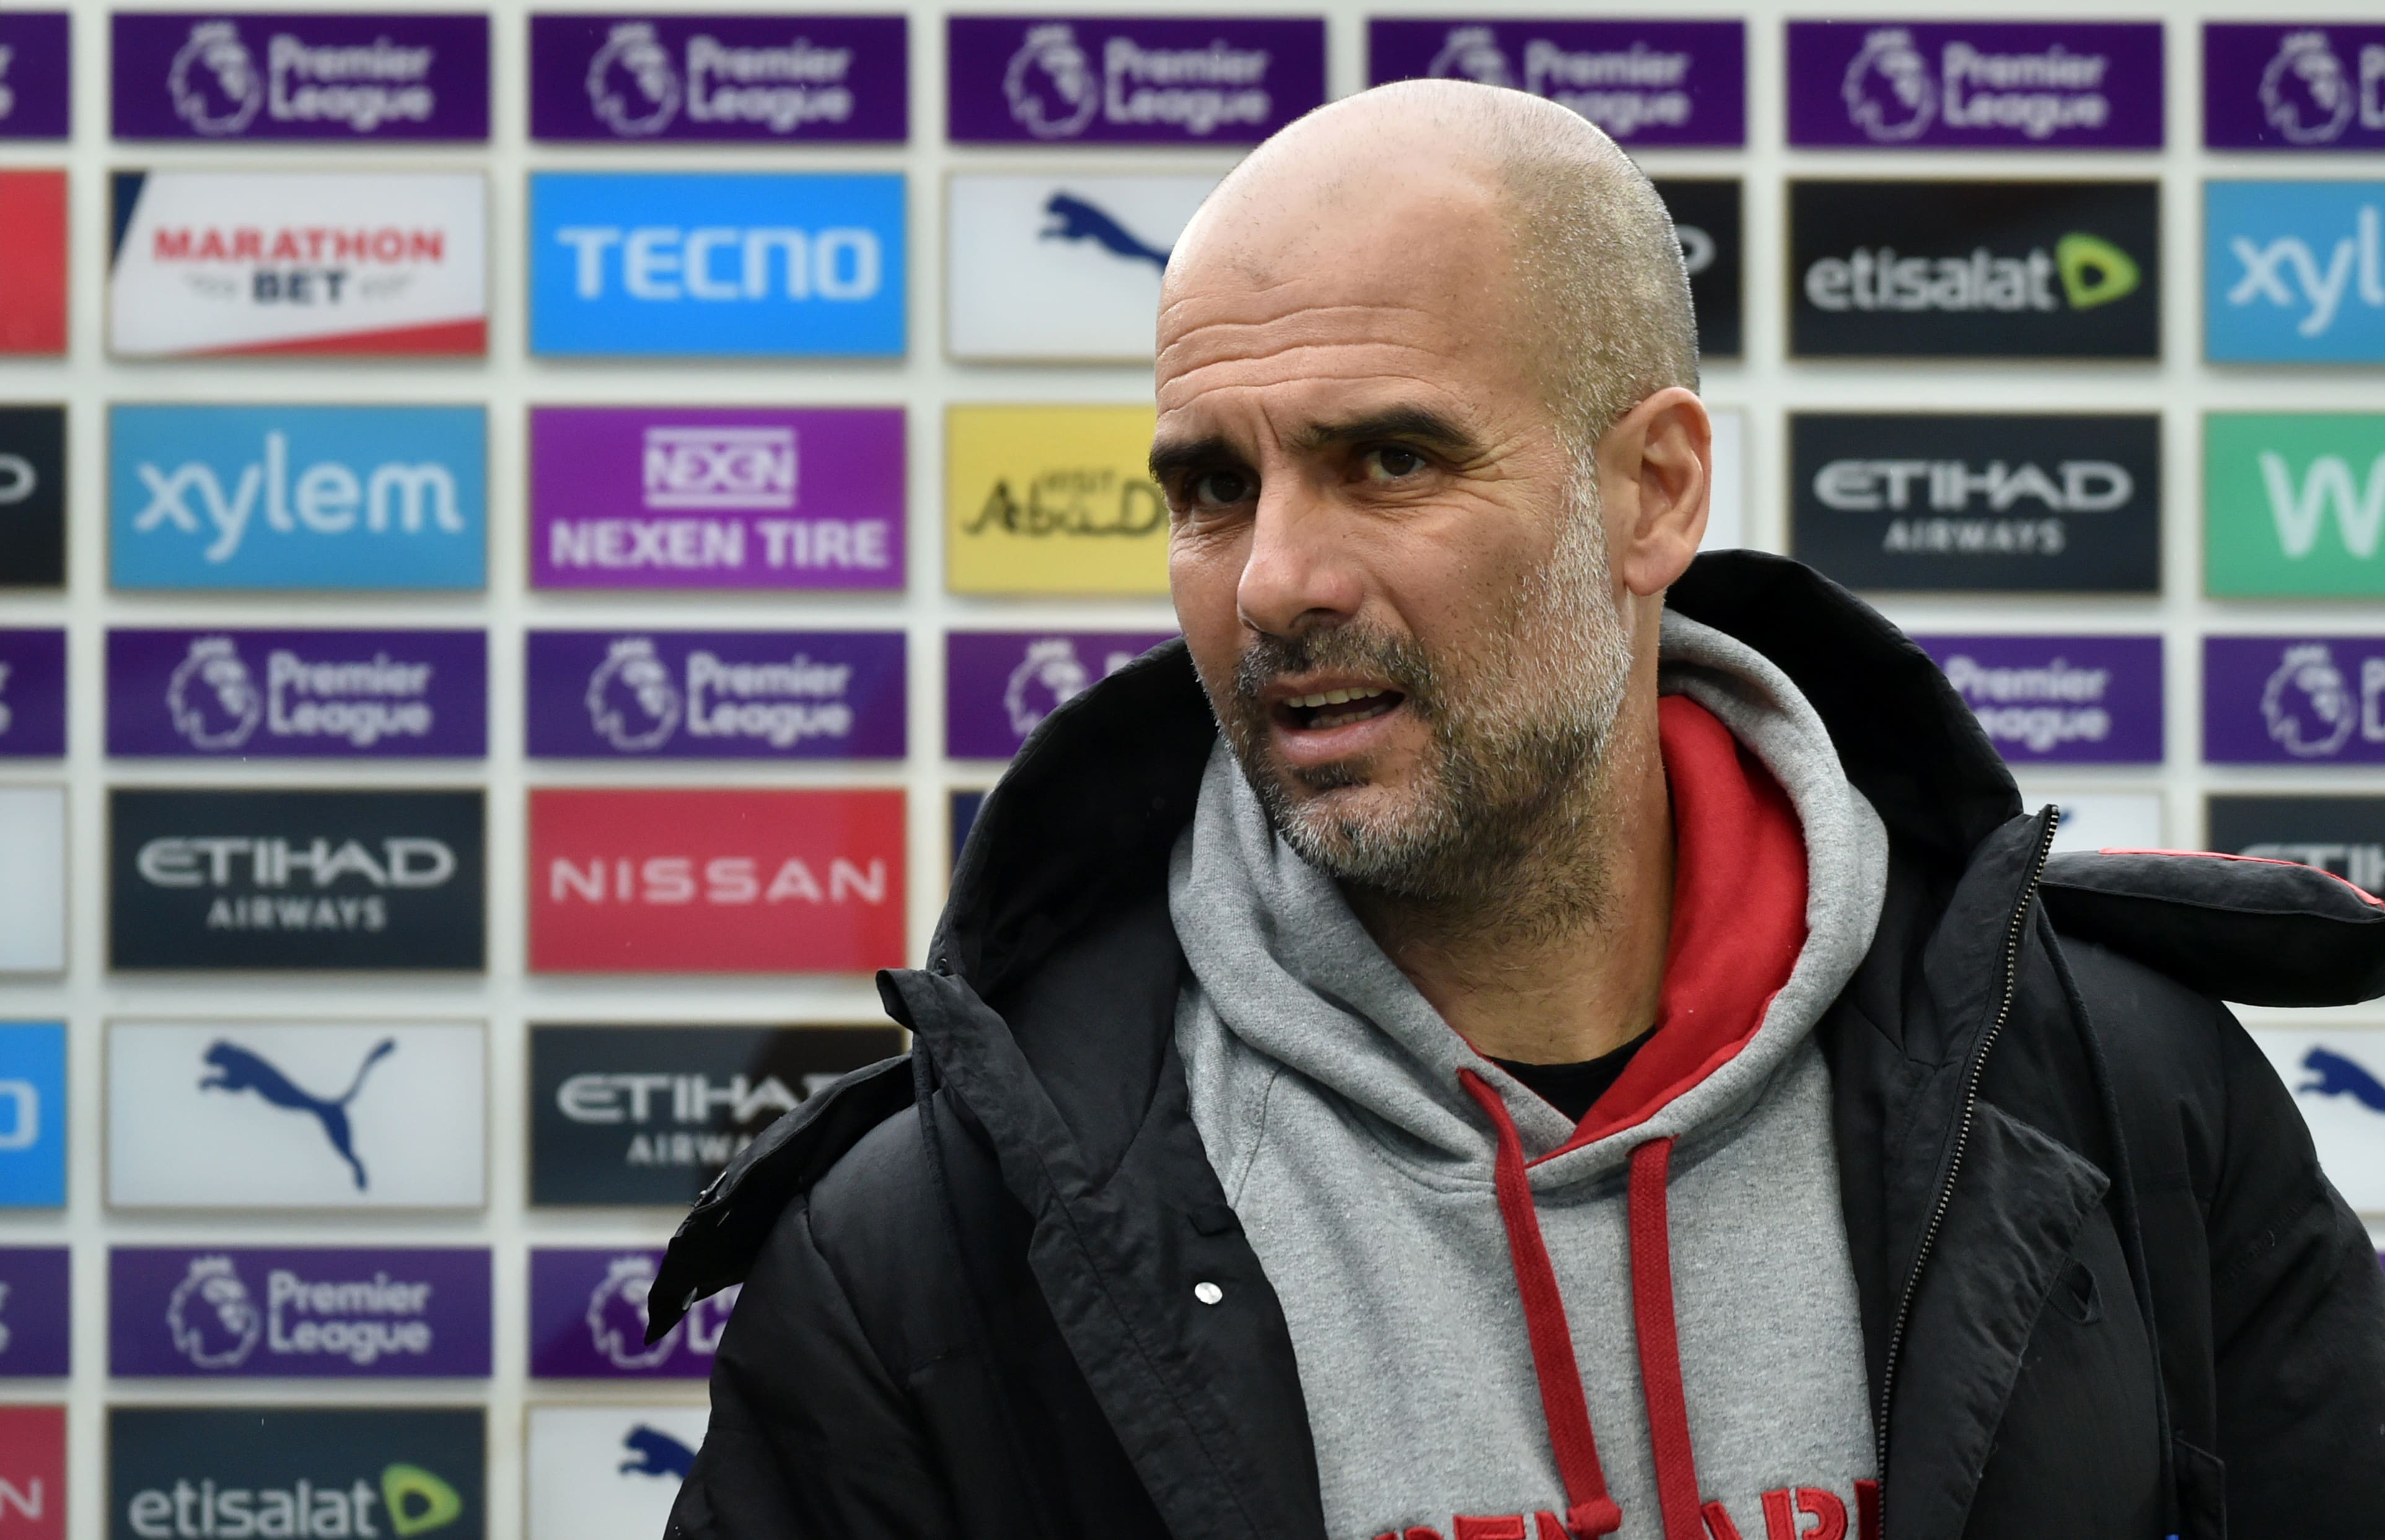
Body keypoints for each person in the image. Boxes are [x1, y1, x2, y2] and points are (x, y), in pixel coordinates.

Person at [649, 81, 2385, 1540]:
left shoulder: (2115, 1091)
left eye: (1388, 459)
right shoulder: (931, 1246)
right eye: (1211, 488)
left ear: (1652, 492)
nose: (1274, 580)